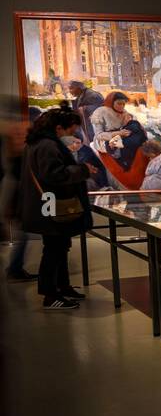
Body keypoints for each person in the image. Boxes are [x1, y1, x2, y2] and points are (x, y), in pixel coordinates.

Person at [19, 107, 93, 310]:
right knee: (54, 249)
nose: (72, 136)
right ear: (59, 128)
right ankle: (50, 294)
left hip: (47, 205)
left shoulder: (39, 143)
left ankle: (62, 286)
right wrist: (83, 170)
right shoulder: (47, 145)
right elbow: (54, 175)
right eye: (70, 131)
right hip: (52, 205)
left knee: (59, 247)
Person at [3, 104, 34, 281]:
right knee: (22, 235)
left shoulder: (16, 161)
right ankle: (14, 269)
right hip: (17, 196)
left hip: (17, 195)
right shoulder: (17, 163)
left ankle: (15, 268)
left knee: (23, 234)